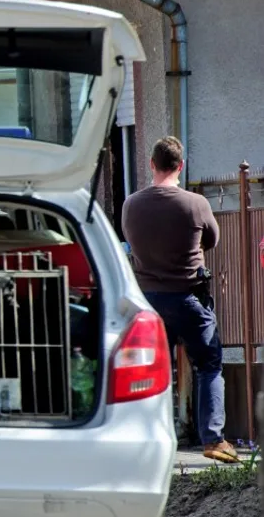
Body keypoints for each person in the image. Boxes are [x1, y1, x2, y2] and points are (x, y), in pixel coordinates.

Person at [121, 136, 237, 464]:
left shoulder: (132, 204)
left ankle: (147, 440)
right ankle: (213, 440)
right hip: (188, 297)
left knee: (153, 370)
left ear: (152, 165)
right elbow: (212, 239)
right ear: (180, 166)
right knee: (209, 366)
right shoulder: (195, 203)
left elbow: (129, 238)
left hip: (149, 302)